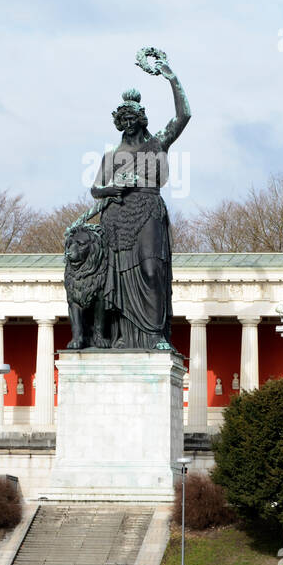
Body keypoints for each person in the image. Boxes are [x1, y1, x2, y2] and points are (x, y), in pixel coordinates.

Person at [87, 51, 190, 350]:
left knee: (151, 270)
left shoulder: (158, 142)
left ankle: (156, 335)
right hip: (116, 217)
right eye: (124, 120)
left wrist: (171, 77)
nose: (128, 123)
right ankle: (121, 337)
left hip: (148, 210)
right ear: (119, 123)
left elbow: (183, 116)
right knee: (115, 279)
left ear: (141, 119)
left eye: (133, 118)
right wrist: (111, 189)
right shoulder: (111, 156)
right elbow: (95, 189)